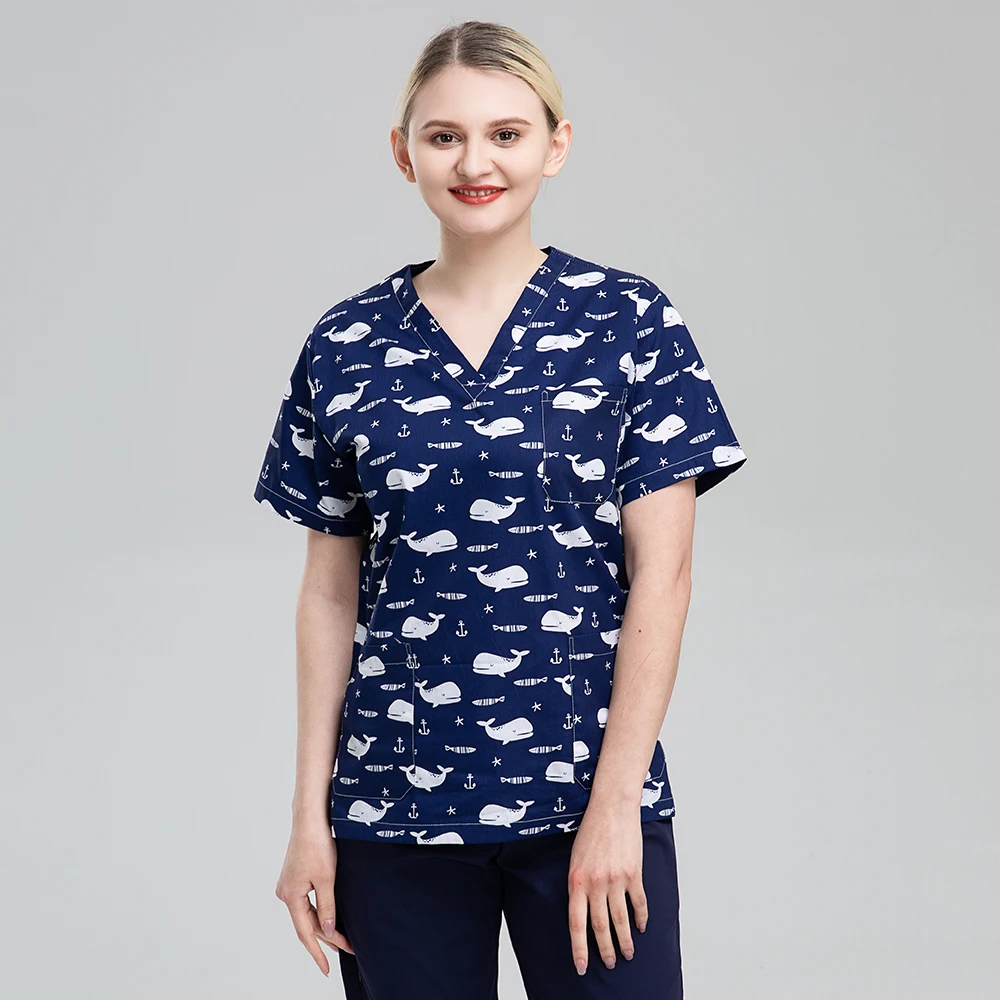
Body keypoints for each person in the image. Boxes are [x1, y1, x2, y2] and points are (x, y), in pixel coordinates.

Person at [253, 19, 747, 1000]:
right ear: (404, 153)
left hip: (586, 803)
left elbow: (664, 577)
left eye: (506, 134)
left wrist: (614, 807)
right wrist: (310, 817)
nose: (475, 163)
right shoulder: (346, 344)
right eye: (444, 136)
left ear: (555, 146)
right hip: (392, 812)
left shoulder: (629, 323)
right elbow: (329, 594)